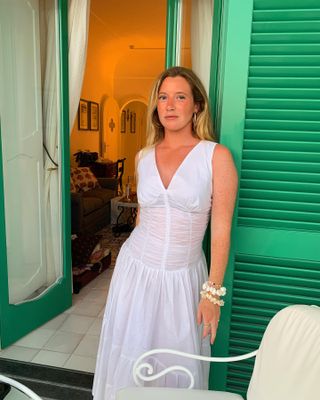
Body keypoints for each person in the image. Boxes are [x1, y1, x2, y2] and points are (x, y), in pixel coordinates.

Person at [92, 66, 238, 400]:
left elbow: (221, 229)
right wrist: (122, 276)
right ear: (156, 107)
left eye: (180, 96)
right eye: (163, 97)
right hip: (135, 271)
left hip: (183, 280)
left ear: (196, 105)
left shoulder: (216, 157)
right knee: (131, 354)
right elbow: (143, 218)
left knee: (177, 366)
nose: (170, 105)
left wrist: (212, 293)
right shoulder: (143, 157)